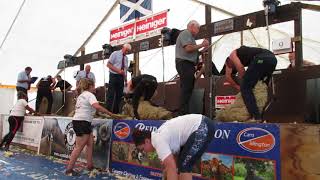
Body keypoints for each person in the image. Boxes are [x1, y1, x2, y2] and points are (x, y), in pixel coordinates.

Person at [132, 114, 216, 180]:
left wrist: (170, 170)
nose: (145, 152)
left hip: (202, 126)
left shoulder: (157, 140)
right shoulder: (159, 136)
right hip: (203, 124)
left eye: (143, 149)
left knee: (184, 167)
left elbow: (171, 167)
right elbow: (173, 165)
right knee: (182, 166)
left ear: (147, 141)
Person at [65, 78, 114, 176]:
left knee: (90, 143)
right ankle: (69, 170)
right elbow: (96, 106)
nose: (95, 88)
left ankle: (89, 165)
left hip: (79, 121)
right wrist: (109, 112)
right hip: (83, 122)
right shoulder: (90, 95)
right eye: (94, 86)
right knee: (78, 147)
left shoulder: (81, 96)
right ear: (90, 86)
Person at [224, 46, 277, 121]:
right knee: (262, 85)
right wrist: (238, 85)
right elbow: (228, 77)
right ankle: (265, 115)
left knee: (246, 88)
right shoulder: (244, 55)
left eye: (231, 67)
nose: (233, 69)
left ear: (228, 62)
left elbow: (241, 69)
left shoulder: (232, 55)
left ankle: (255, 117)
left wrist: (242, 85)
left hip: (261, 59)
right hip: (272, 60)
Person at [175, 20, 209, 115]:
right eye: (198, 28)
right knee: (186, 89)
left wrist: (202, 50)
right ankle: (183, 113)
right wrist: (201, 44)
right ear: (192, 26)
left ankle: (184, 112)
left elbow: (193, 52)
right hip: (185, 63)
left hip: (187, 64)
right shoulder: (186, 33)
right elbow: (188, 48)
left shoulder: (190, 38)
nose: (198, 30)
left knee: (188, 88)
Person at [105, 43, 131, 114]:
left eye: (128, 51)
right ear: (123, 47)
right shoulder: (115, 53)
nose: (127, 52)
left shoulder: (126, 58)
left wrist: (125, 80)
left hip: (121, 77)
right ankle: (107, 112)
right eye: (126, 50)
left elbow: (125, 70)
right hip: (113, 75)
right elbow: (108, 64)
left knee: (119, 95)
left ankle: (115, 113)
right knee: (111, 94)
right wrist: (118, 70)